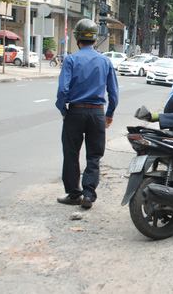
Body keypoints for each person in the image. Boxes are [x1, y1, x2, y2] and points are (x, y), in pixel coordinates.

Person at [55, 19, 119, 209]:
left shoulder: (71, 60)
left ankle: (74, 194)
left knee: (71, 154)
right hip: (97, 114)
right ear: (94, 39)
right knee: (94, 156)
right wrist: (109, 113)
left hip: (75, 112)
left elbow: (62, 91)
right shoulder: (105, 61)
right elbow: (113, 93)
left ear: (77, 37)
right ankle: (89, 195)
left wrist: (63, 109)